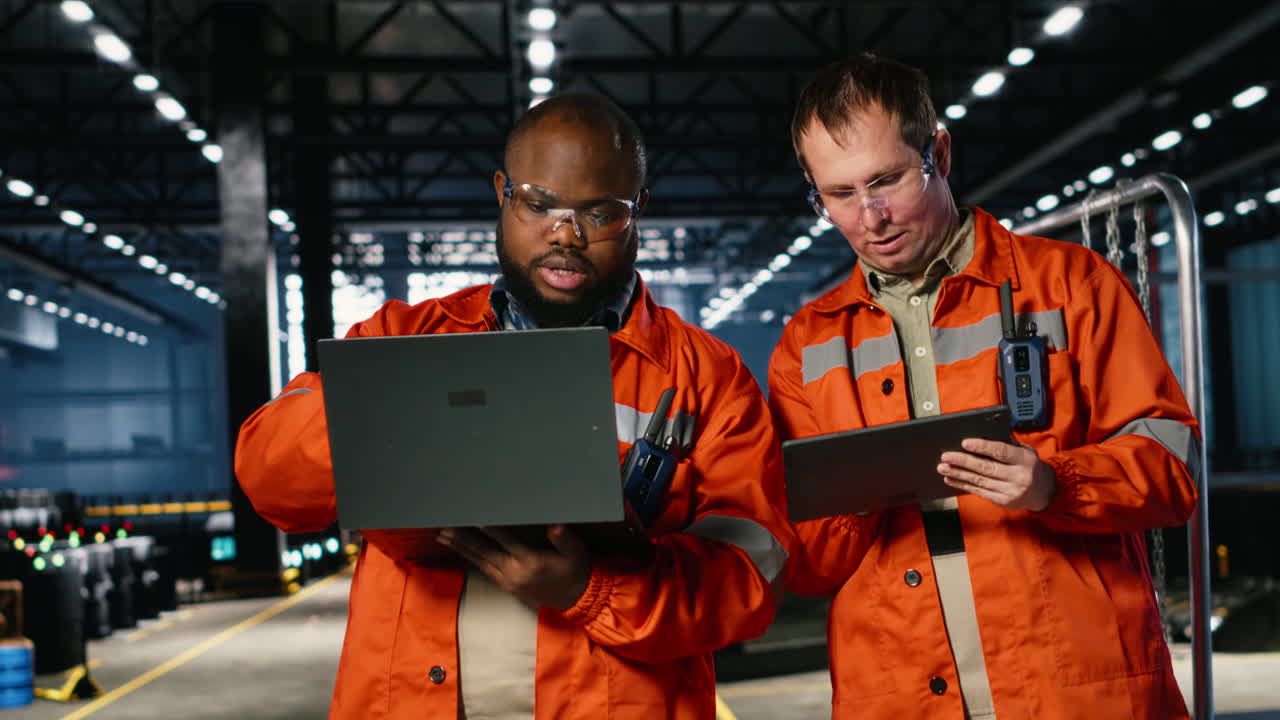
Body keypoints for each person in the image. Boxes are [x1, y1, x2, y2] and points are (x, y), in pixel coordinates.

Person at [235, 93, 792, 720]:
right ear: (503, 194)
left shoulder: (708, 379)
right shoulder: (403, 339)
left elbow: (751, 574)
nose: (565, 235)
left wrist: (591, 590)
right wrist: (385, 409)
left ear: (638, 212)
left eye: (599, 213)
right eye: (539, 204)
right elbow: (270, 482)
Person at [768, 54, 1199, 719]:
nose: (870, 217)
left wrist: (1055, 485)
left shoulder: (1069, 286)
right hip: (899, 695)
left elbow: (1173, 467)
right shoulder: (808, 346)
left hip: (1077, 688)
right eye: (840, 194)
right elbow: (808, 565)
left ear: (937, 151)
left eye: (886, 180)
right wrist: (846, 499)